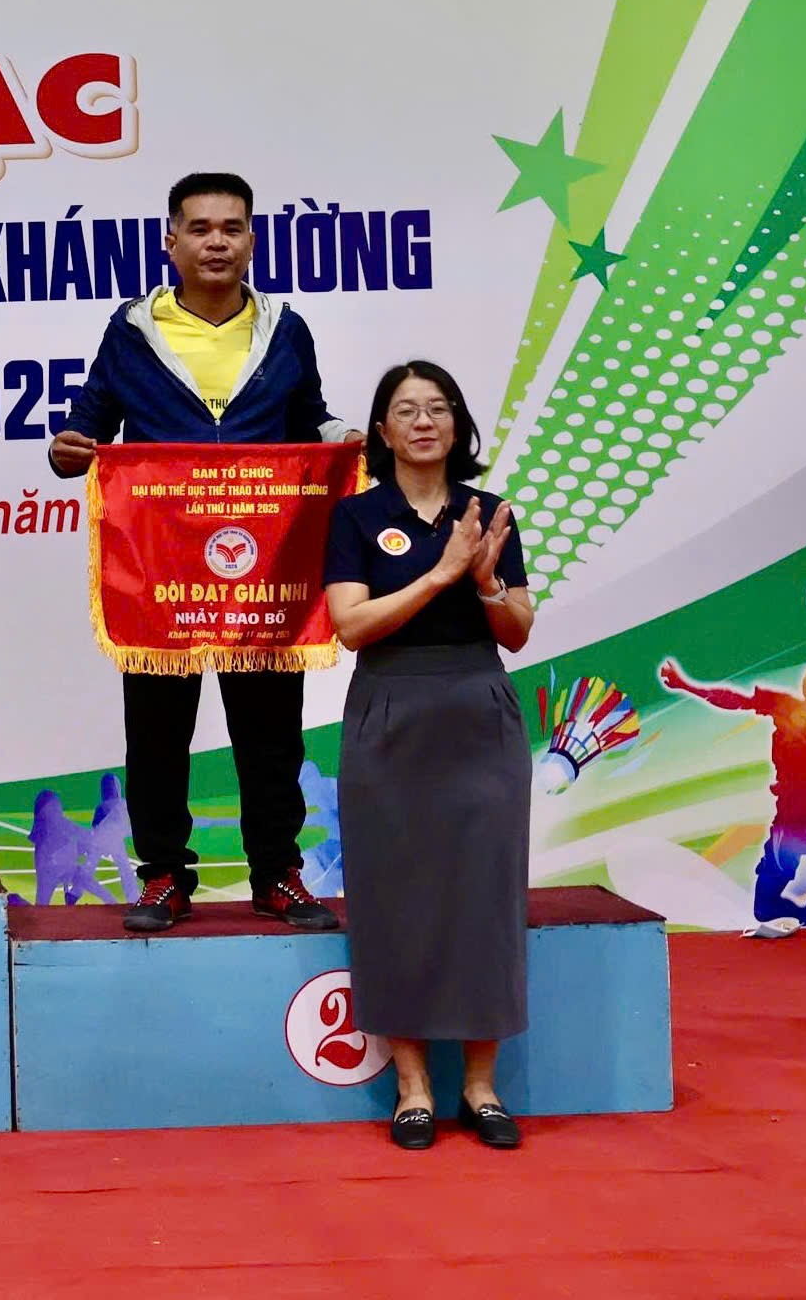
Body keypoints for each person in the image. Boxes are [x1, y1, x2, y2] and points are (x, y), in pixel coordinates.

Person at [50, 172, 354, 933]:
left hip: (263, 564)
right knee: (157, 731)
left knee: (271, 731)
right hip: (160, 568)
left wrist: (344, 439)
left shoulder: (285, 328)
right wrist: (65, 449)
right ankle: (162, 876)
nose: (216, 242)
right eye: (200, 228)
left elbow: (310, 418)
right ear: (171, 241)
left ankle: (277, 873)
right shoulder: (131, 329)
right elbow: (87, 426)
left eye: (231, 228)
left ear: (251, 240)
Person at [323, 360, 537, 1151]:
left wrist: (482, 581)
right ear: (382, 430)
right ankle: (412, 1085)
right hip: (389, 713)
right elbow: (351, 625)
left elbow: (517, 628)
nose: (423, 421)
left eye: (439, 408)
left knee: (485, 894)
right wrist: (441, 573)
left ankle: (481, 1086)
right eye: (407, 409)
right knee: (394, 897)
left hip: (478, 713)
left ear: (458, 424)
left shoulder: (489, 511)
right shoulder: (355, 517)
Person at [659, 658, 806, 928]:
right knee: (765, 909)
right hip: (788, 822)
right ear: (805, 686)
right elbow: (734, 700)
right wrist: (688, 686)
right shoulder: (784, 707)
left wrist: (687, 686)